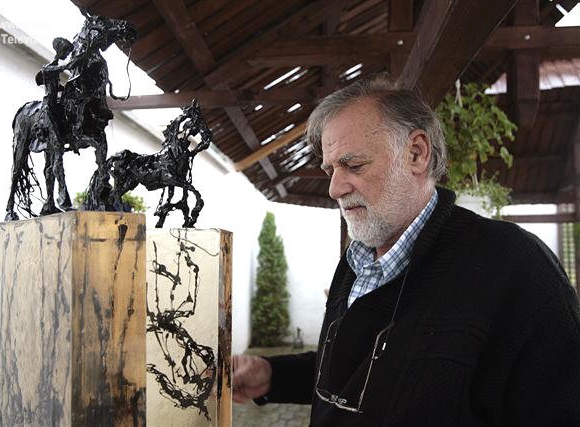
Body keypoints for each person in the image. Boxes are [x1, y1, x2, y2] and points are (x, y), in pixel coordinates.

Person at [232, 77, 580, 426]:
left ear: (416, 153)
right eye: (330, 170)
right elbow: (360, 371)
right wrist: (274, 375)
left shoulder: (515, 265)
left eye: (354, 165)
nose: (335, 188)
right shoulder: (355, 262)